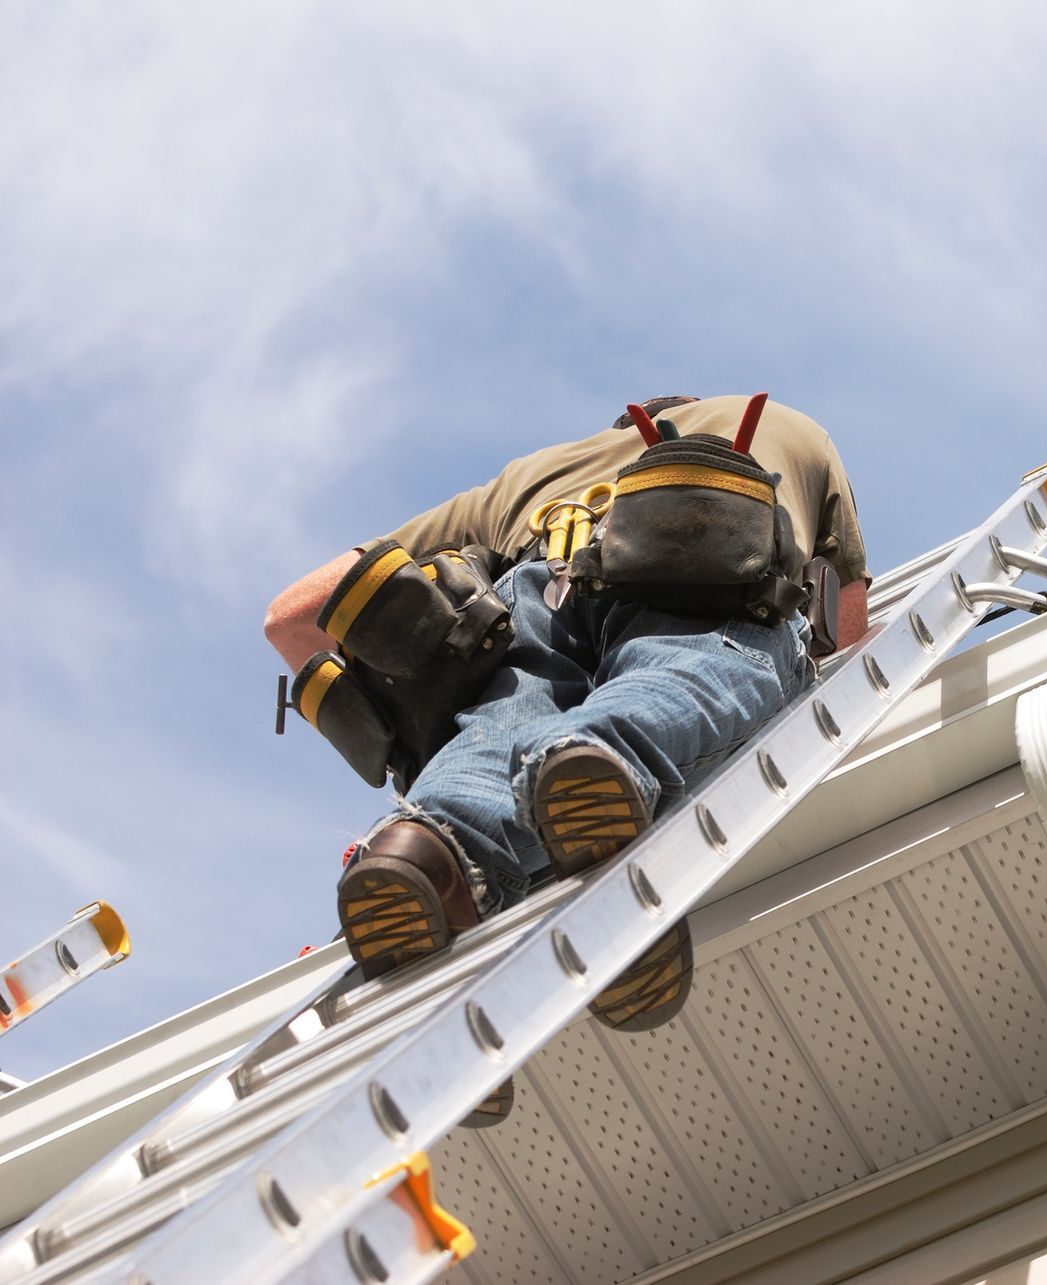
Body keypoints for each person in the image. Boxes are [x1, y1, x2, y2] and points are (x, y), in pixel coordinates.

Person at [266, 395, 869, 1046]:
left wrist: (389, 710)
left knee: (499, 725)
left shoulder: (528, 478)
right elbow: (852, 639)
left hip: (534, 588)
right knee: (689, 667)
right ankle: (600, 762)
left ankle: (422, 851)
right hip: (706, 548)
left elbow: (293, 614)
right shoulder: (789, 428)